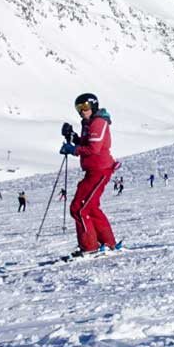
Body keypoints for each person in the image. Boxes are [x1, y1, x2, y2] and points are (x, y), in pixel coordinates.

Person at [60, 91, 120, 257]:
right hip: (93, 170)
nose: (82, 111)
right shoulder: (89, 122)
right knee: (91, 208)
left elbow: (94, 149)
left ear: (93, 105)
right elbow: (87, 143)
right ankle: (108, 243)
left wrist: (73, 150)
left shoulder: (98, 122)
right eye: (78, 108)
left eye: (85, 107)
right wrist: (74, 138)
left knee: (78, 208)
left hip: (99, 170)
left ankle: (89, 247)